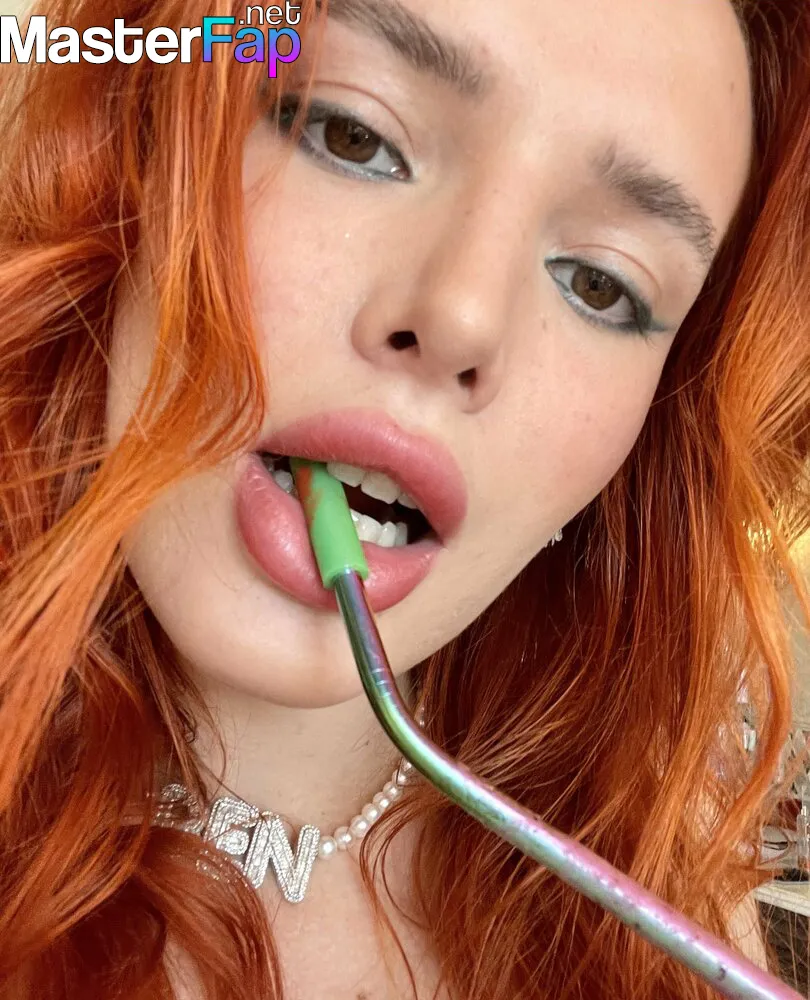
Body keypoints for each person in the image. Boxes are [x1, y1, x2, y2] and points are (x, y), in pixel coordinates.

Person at [0, 0, 809, 996]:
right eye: (353, 134)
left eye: (603, 284)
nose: (462, 318)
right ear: (138, 146)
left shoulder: (661, 897)